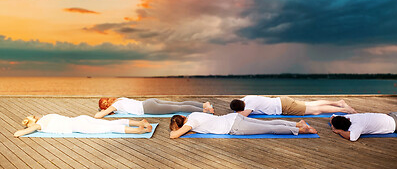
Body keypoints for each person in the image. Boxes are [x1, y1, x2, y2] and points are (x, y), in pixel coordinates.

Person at [169, 112, 317, 139]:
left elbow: (174, 135)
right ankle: (297, 123)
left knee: (270, 129)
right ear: (183, 116)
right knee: (268, 123)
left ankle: (301, 130)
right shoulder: (193, 115)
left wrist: (175, 131)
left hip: (234, 127)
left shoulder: (190, 123)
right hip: (233, 117)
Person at [14, 114, 152, 137]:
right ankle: (139, 123)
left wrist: (23, 129)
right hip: (80, 119)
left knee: (109, 128)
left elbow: (19, 133)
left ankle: (138, 131)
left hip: (79, 126)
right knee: (110, 123)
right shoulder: (46, 116)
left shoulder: (40, 125)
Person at [230, 95, 356, 117]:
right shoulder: (247, 98)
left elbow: (242, 116)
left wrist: (236, 112)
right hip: (283, 101)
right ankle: (338, 103)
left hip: (285, 107)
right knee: (311, 104)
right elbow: (238, 103)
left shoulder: (249, 105)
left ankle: (345, 109)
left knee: (316, 111)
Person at [95, 97, 214, 118]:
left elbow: (99, 116)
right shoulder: (119, 99)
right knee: (179, 104)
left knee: (179, 108)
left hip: (148, 108)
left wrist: (103, 111)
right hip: (149, 101)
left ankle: (205, 111)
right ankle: (204, 105)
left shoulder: (114, 106)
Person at [330, 112, 397, 141]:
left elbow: (352, 137)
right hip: (391, 115)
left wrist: (339, 131)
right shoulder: (349, 117)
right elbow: (332, 117)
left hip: (395, 124)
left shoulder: (356, 127)